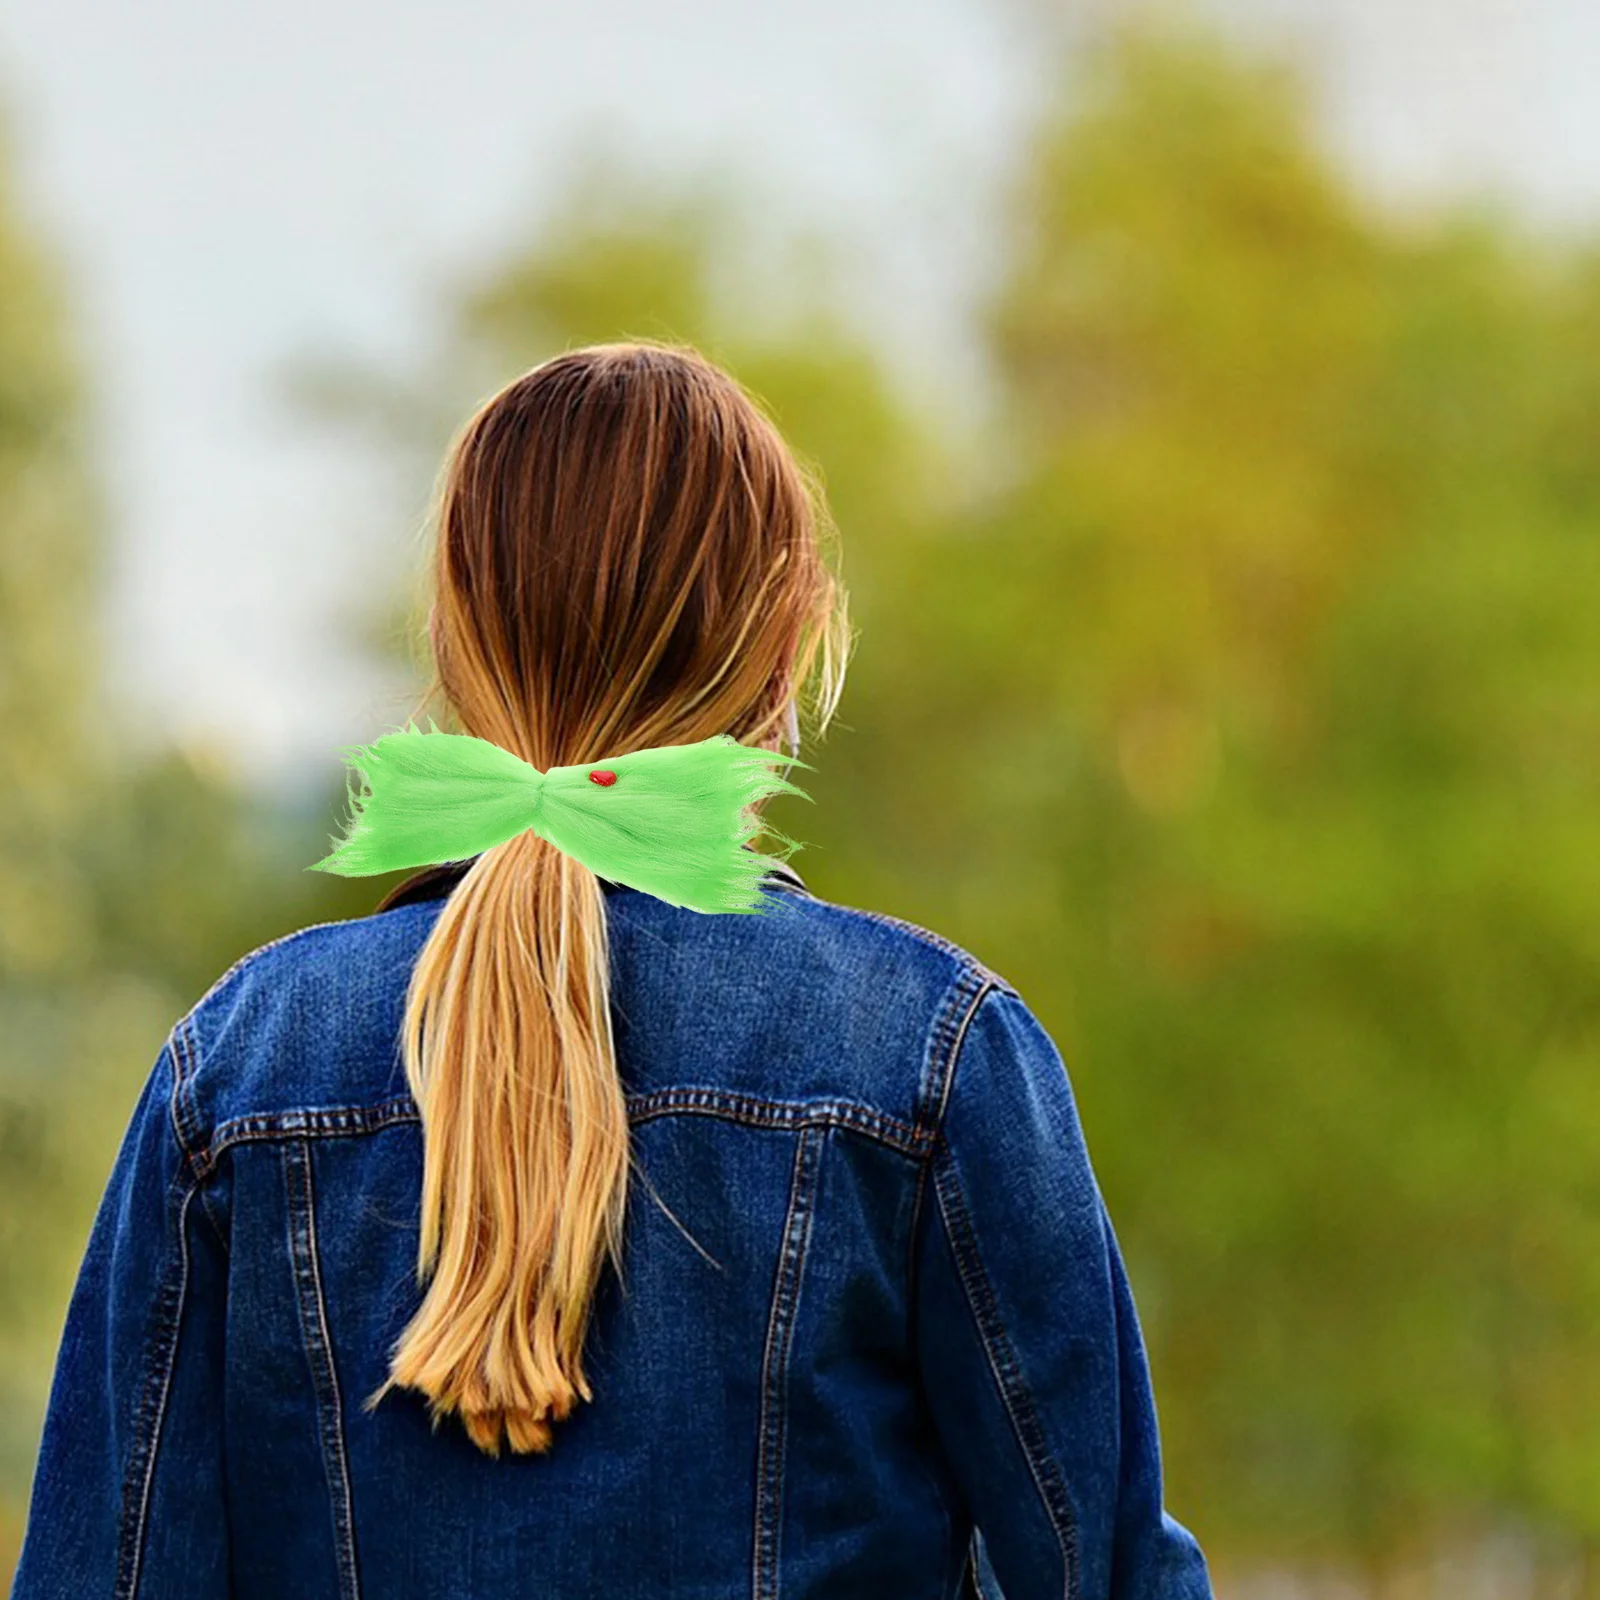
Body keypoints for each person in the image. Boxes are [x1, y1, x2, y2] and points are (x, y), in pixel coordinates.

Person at [9, 340, 1213, 1599]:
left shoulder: (237, 1073)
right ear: (783, 655)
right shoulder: (932, 1055)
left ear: (453, 644)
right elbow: (1110, 1572)